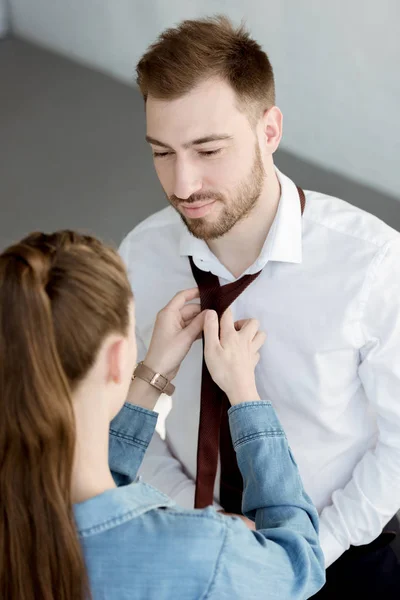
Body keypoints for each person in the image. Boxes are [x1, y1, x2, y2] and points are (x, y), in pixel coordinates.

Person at [118, 15, 400, 598]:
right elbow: (120, 417)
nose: (183, 183)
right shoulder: (141, 256)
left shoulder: (372, 264)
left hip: (341, 553)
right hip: (190, 548)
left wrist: (300, 557)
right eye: (162, 153)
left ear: (269, 130)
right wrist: (197, 525)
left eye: (208, 149)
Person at [0, 230, 324, 600]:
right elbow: (300, 563)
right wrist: (245, 396)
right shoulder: (199, 552)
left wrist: (151, 374)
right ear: (117, 357)